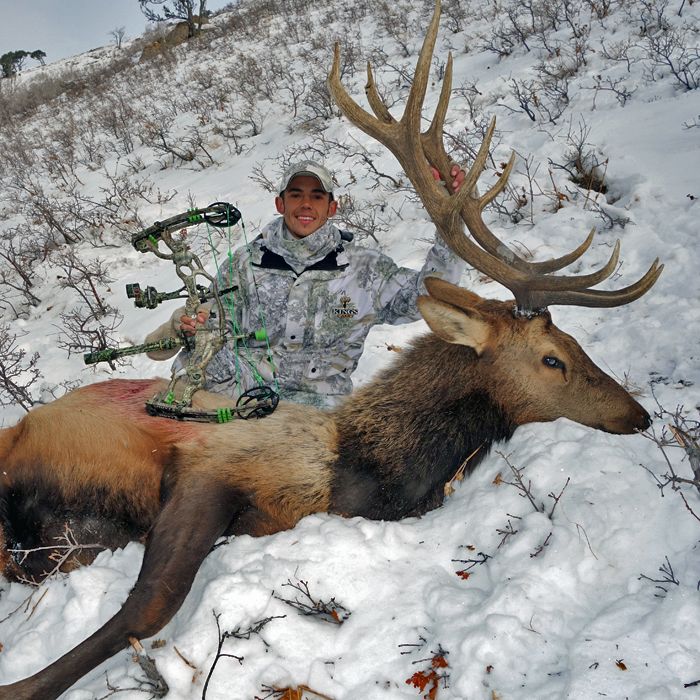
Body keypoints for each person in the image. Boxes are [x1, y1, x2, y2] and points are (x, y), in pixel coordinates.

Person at [145, 160, 465, 407]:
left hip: (314, 420)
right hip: (234, 407)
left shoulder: (365, 270)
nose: (306, 204)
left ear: (332, 207)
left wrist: (450, 224)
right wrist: (184, 326)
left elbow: (428, 297)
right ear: (280, 204)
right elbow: (209, 323)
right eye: (295, 195)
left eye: (317, 196)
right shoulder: (243, 264)